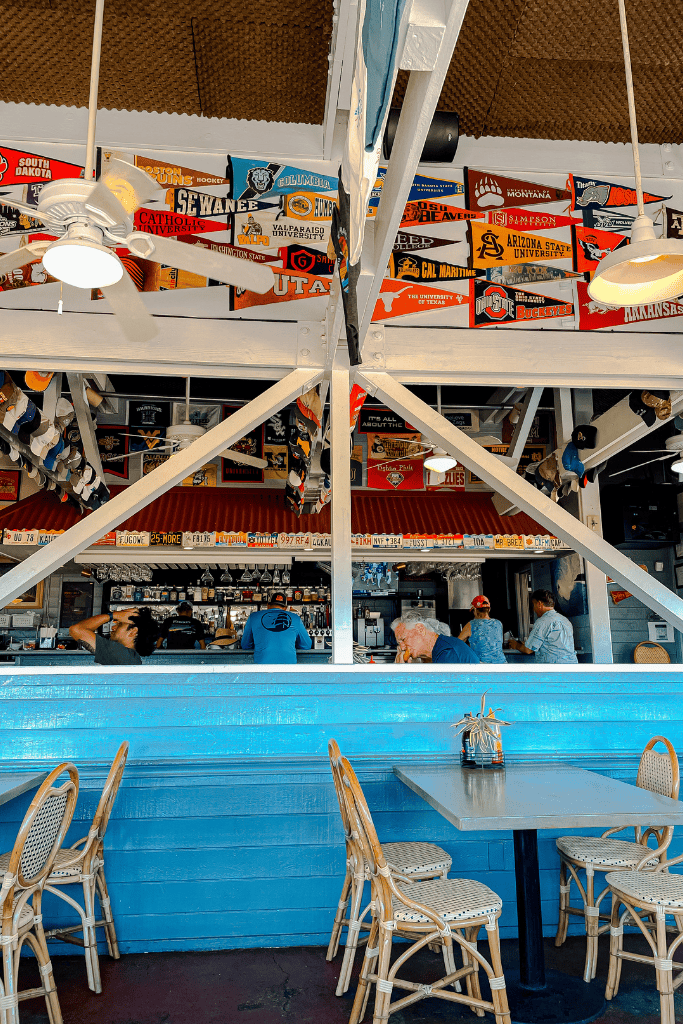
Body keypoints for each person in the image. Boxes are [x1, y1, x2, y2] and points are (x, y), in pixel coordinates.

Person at [508, 589, 578, 664]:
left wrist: (516, 645)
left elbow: (528, 650)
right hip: (572, 667)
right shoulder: (565, 620)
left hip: (554, 669)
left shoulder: (543, 621)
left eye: (534, 605)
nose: (534, 609)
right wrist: (528, 643)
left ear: (539, 604)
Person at [241, 592, 312, 664]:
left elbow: (245, 645)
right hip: (288, 667)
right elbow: (306, 645)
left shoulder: (254, 617)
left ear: (268, 605)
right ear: (285, 608)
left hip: (262, 666)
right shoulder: (295, 618)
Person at [69, 607, 158, 665]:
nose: (113, 627)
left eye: (119, 624)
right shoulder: (130, 657)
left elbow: (76, 630)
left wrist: (114, 615)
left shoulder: (121, 654)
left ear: (133, 632)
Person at [391, 613, 479, 664]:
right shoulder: (437, 651)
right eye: (399, 643)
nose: (402, 647)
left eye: (403, 639)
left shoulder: (447, 652)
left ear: (420, 629)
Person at [458, 595, 506, 664]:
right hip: (502, 666)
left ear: (474, 609)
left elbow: (457, 643)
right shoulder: (498, 623)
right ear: (489, 609)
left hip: (482, 668)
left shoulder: (471, 625)